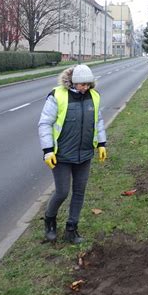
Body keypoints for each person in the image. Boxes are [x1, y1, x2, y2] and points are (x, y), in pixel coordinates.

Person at [38, 64, 107, 244]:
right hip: (61, 154)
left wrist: (101, 144)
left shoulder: (94, 97)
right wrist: (47, 150)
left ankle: (71, 228)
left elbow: (98, 121)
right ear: (73, 82)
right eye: (81, 84)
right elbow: (45, 123)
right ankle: (50, 221)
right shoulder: (57, 96)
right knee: (62, 192)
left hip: (84, 154)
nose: (84, 87)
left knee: (79, 192)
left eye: (87, 84)